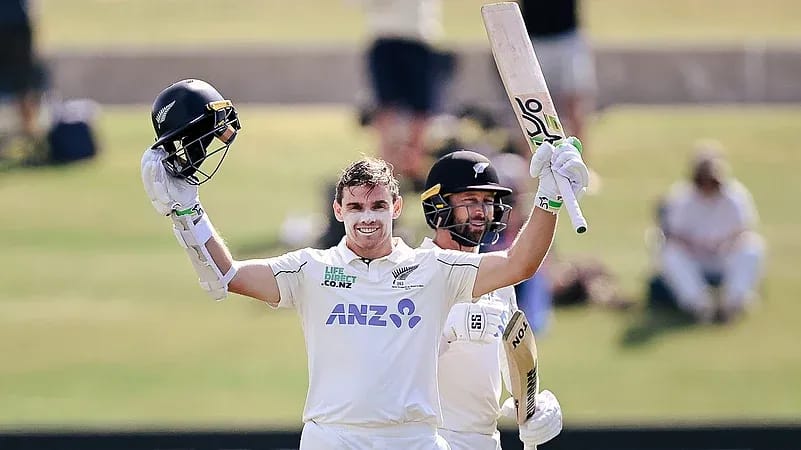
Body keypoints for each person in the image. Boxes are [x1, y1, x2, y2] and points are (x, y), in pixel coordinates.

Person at [140, 78, 588, 449]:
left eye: (376, 206)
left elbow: (519, 264)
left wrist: (549, 197)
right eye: (355, 208)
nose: (367, 218)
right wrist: (186, 211)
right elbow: (225, 277)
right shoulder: (311, 270)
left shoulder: (432, 271)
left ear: (396, 207)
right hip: (332, 438)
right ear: (339, 211)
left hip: (413, 439)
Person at [420, 151, 562, 449]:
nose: (481, 211)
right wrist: (447, 333)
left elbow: (514, 358)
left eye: (487, 201)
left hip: (485, 441)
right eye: (470, 201)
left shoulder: (498, 281)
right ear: (438, 205)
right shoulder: (414, 270)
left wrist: (531, 406)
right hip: (426, 439)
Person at [653, 142, 765, 323]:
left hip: (724, 254)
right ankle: (699, 304)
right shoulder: (681, 197)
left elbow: (745, 230)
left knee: (753, 247)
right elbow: (671, 234)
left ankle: (733, 302)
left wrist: (726, 244)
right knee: (668, 252)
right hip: (694, 257)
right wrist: (695, 246)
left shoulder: (735, 196)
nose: (708, 186)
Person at [353, 0, 451, 191]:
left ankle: (412, 166)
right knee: (386, 114)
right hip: (384, 37)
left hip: (418, 37)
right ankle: (383, 175)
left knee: (420, 115)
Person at [519, 0, 598, 191]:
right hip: (532, 36)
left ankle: (580, 165)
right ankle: (529, 168)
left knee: (575, 104)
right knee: (528, 104)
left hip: (567, 34)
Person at [0, 0, 44, 142]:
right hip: (17, 21)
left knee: (23, 84)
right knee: (23, 84)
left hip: (16, 23)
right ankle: (31, 136)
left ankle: (31, 136)